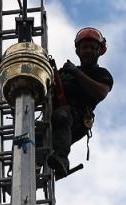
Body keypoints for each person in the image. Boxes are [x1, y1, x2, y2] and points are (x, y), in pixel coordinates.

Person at [43, 26, 113, 178]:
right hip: (54, 117)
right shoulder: (64, 73)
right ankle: (26, 171)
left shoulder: (101, 74)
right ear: (78, 51)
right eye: (84, 47)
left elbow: (100, 93)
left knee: (62, 115)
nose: (88, 51)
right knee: (34, 137)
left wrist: (76, 72)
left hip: (76, 120)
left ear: (99, 51)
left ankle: (61, 159)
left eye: (92, 48)